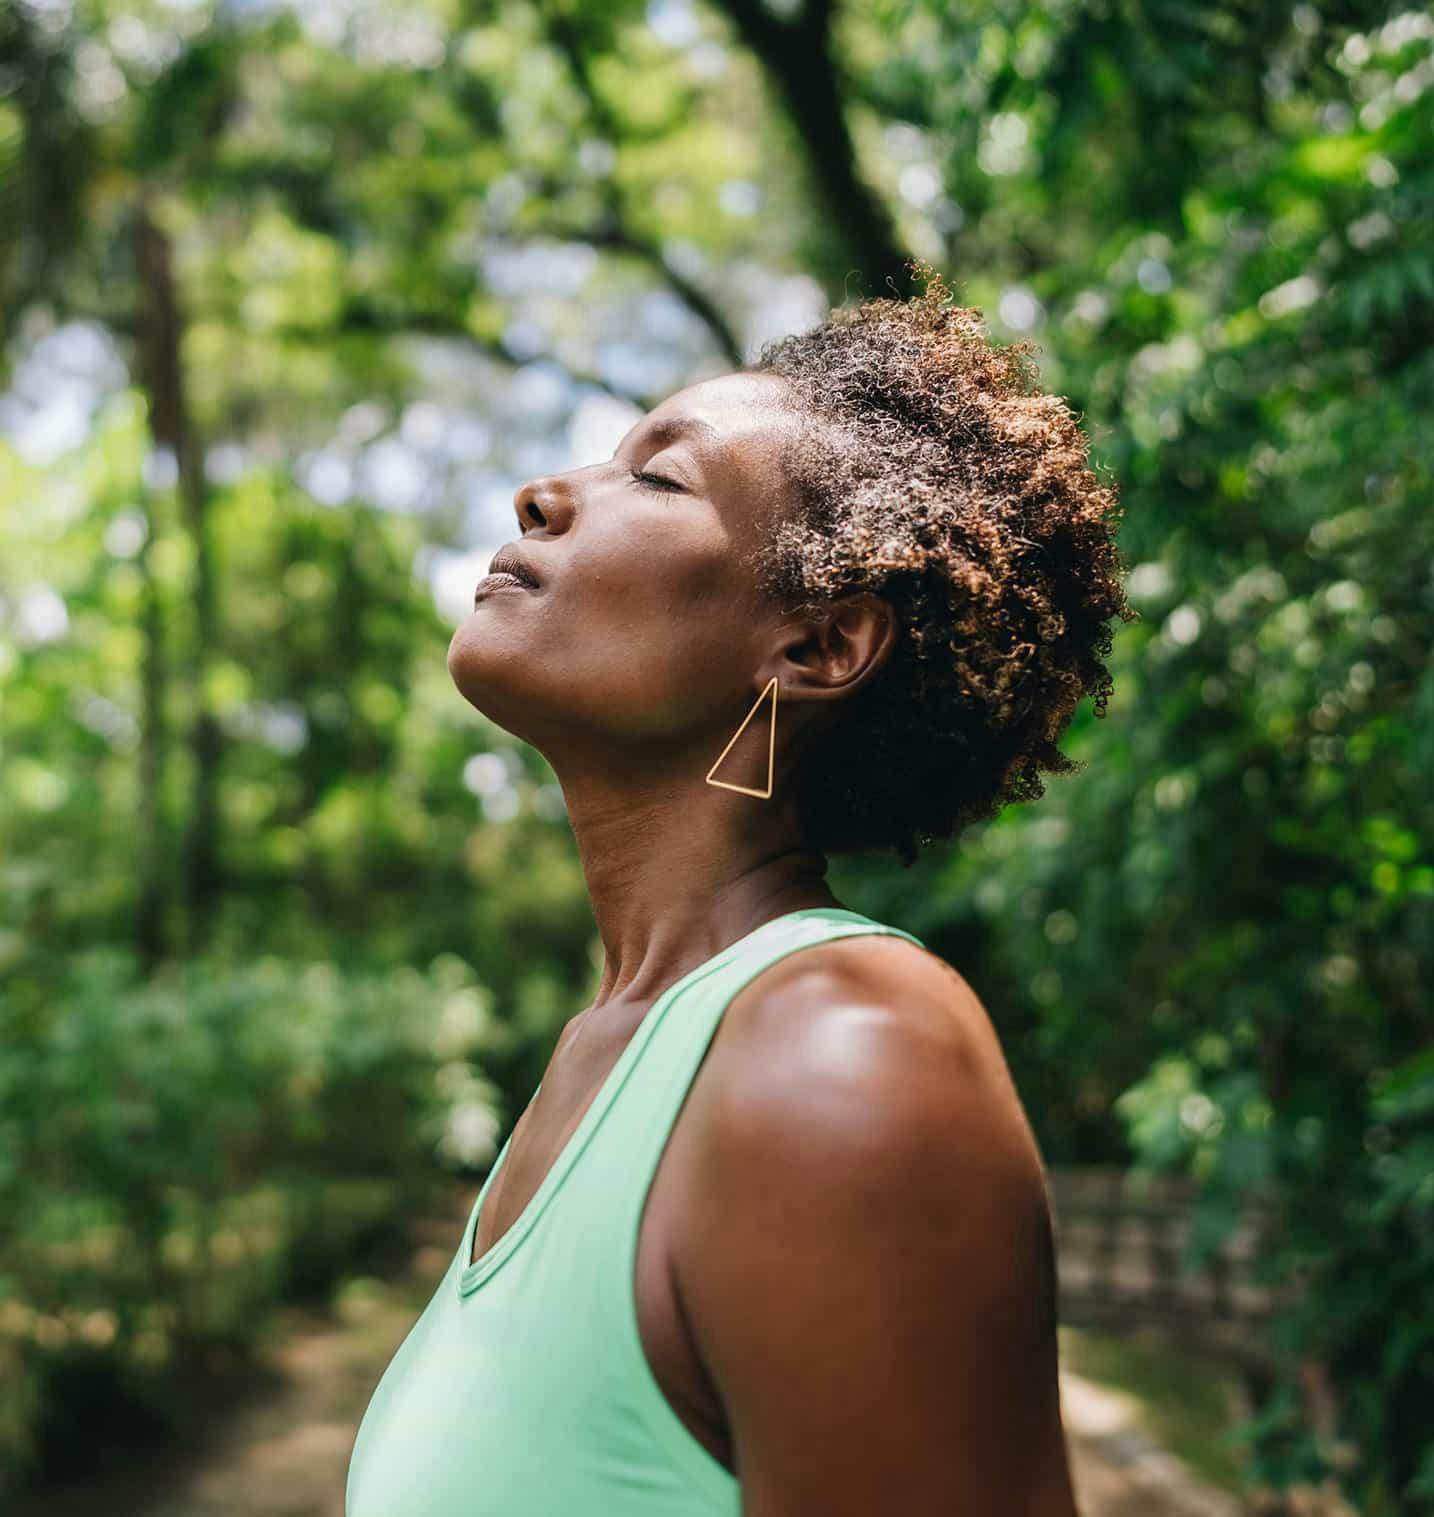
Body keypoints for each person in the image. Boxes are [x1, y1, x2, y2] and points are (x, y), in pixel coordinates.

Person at [345, 272, 1134, 1515]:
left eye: (660, 478)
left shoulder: (842, 1050)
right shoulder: (601, 1056)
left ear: (817, 646)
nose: (544, 494)